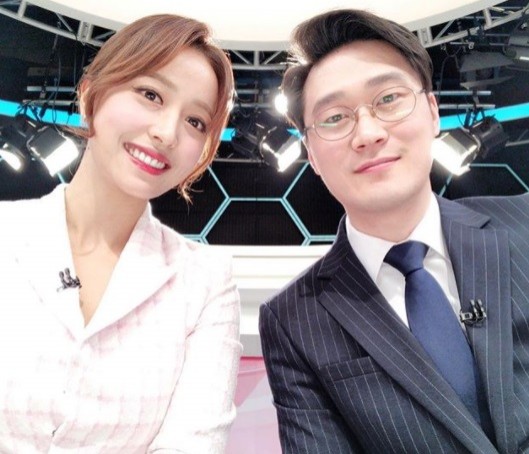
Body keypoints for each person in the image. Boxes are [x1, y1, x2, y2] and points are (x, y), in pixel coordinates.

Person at [259, 8, 529, 454]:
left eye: (388, 99)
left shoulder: (523, 224)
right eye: (334, 118)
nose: (367, 133)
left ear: (433, 112)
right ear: (311, 153)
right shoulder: (292, 321)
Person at [0, 14, 241, 453]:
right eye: (151, 94)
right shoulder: (7, 234)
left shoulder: (205, 282)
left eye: (195, 122)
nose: (167, 133)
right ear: (92, 91)